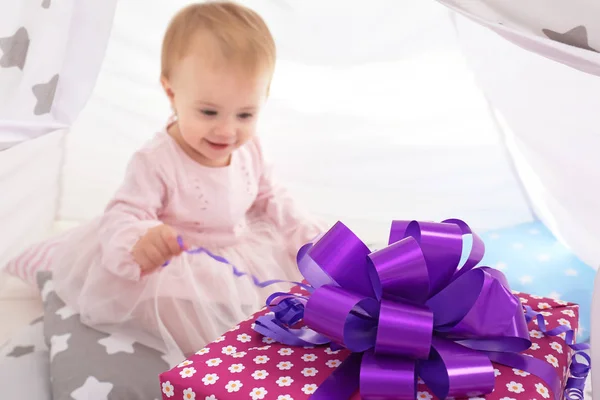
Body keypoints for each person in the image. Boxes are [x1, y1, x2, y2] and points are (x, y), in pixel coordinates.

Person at [50, 1, 326, 357]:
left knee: (278, 301)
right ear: (171, 93)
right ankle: (215, 368)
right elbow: (123, 212)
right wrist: (141, 240)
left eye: (245, 113)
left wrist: (304, 236)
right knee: (191, 323)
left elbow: (270, 195)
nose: (227, 130)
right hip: (179, 264)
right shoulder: (157, 160)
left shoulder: (250, 148)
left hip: (239, 254)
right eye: (208, 111)